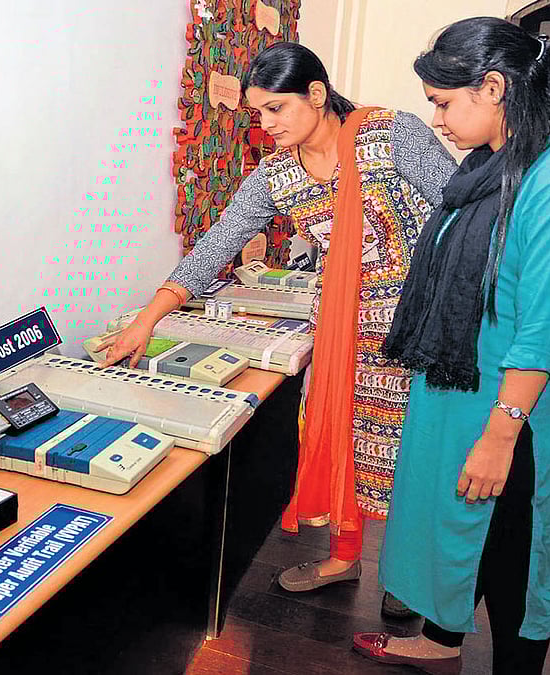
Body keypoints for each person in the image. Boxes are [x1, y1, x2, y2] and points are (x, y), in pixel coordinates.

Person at [97, 42, 457, 611]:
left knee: (413, 451)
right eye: (257, 113)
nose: (265, 126)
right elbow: (217, 243)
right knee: (344, 439)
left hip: (419, 325)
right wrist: (147, 319)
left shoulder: (391, 135)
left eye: (276, 109)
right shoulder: (277, 174)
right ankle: (343, 557)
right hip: (342, 331)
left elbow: (459, 210)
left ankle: (410, 578)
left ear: (317, 94)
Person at [352, 17, 550, 675]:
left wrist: (501, 434)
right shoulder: (490, 163)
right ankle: (439, 642)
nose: (435, 116)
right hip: (458, 390)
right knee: (453, 528)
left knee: (511, 554)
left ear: (493, 86)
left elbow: (546, 328)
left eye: (442, 100)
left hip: (511, 407)